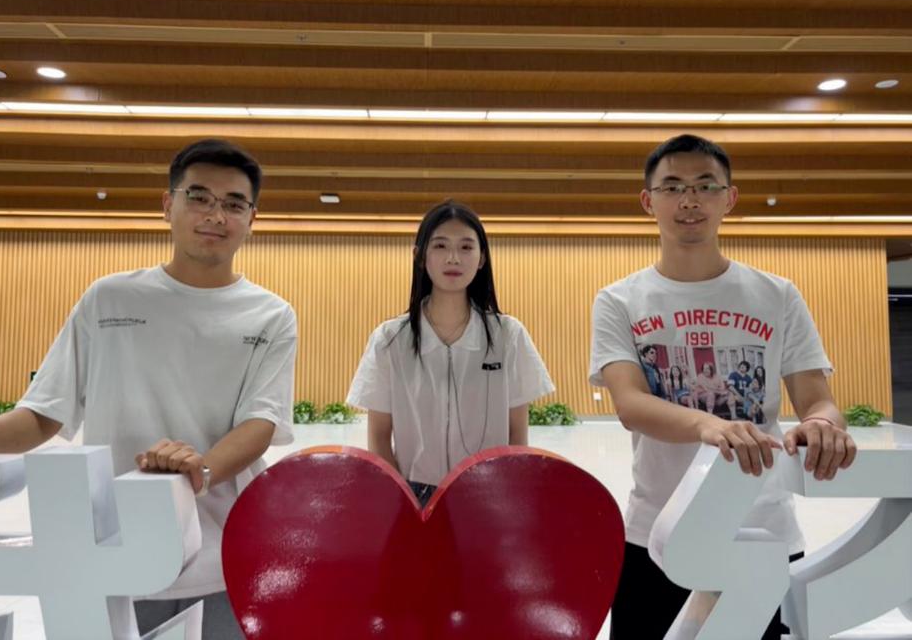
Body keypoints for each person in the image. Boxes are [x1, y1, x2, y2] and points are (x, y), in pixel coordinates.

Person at [0, 138, 297, 638]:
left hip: (225, 553)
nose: (216, 215)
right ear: (168, 205)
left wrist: (198, 471)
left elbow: (261, 421)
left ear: (252, 219)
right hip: (115, 553)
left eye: (234, 204)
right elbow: (42, 415)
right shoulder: (109, 299)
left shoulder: (270, 314)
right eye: (199, 197)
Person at [589, 134, 856, 640]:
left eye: (705, 185)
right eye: (672, 187)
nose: (689, 200)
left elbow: (817, 399)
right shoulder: (620, 300)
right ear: (648, 201)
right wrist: (710, 425)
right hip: (656, 534)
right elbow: (630, 403)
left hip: (761, 531)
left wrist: (824, 425)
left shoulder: (777, 295)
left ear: (729, 198)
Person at [347, 200, 555, 507]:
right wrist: (403, 501)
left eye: (466, 247)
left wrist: (509, 492)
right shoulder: (390, 339)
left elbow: (517, 435)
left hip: (491, 491)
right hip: (412, 494)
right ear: (420, 256)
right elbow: (378, 438)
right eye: (440, 246)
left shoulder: (508, 336)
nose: (453, 257)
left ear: (482, 258)